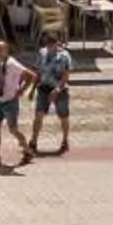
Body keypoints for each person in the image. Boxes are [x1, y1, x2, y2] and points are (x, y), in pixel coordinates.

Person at [0, 39, 36, 169]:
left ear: (6, 50)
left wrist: (22, 90)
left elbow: (31, 76)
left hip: (10, 101)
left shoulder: (12, 63)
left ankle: (27, 150)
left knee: (13, 129)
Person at [25, 31, 73, 162]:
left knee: (63, 116)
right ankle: (33, 141)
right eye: (48, 43)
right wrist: (32, 90)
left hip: (60, 90)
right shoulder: (42, 53)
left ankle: (65, 139)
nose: (50, 46)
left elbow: (66, 75)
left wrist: (57, 90)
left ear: (57, 43)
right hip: (44, 88)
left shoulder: (64, 56)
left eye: (52, 43)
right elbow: (38, 72)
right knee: (38, 115)